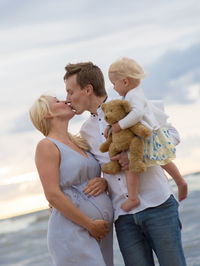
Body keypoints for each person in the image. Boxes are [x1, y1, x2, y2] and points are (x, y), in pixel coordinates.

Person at [64, 61, 187, 266]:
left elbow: (173, 136)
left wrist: (136, 154)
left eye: (70, 92)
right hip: (124, 217)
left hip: (158, 205)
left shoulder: (130, 106)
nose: (67, 99)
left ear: (87, 89)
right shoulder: (85, 131)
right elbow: (97, 169)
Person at [29, 95, 114, 266]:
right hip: (73, 232)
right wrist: (89, 224)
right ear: (47, 114)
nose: (66, 101)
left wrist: (104, 182)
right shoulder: (46, 146)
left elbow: (99, 172)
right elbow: (52, 195)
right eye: (58, 101)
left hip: (99, 231)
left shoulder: (81, 142)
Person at [103, 56, 188, 211]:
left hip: (147, 133)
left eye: (114, 83)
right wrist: (111, 126)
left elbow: (136, 114)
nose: (113, 88)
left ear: (125, 82)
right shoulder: (132, 94)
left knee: (131, 164)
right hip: (148, 132)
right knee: (161, 158)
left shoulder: (133, 95)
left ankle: (133, 198)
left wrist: (119, 126)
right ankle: (180, 181)